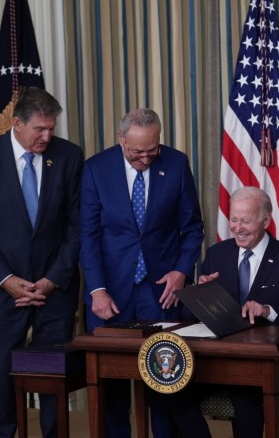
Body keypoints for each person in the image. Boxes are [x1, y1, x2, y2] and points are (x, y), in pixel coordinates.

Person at [0, 87, 84, 438]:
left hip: (54, 289)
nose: (47, 136)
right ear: (16, 123)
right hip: (3, 291)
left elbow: (78, 226)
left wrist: (51, 279)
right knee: (1, 376)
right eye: (39, 129)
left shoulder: (69, 156)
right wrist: (6, 278)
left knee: (52, 375)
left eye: (51, 128)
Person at [79, 107, 204, 438]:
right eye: (137, 152)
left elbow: (192, 228)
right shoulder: (96, 169)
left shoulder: (176, 164)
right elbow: (88, 237)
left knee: (165, 380)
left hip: (161, 292)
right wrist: (96, 290)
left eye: (152, 150)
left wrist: (181, 271)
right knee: (113, 387)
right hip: (111, 293)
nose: (146, 159)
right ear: (121, 139)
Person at [167, 186, 279, 438]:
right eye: (234, 219)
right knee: (169, 388)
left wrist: (268, 310)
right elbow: (186, 316)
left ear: (266, 220)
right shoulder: (217, 254)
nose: (238, 228)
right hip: (216, 362)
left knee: (245, 396)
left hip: (265, 365)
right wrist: (201, 295)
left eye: (246, 220)